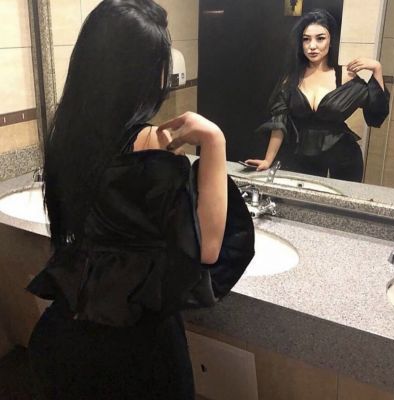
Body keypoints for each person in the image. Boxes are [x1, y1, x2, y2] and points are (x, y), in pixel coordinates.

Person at [26, 1, 254, 399]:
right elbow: (207, 248)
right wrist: (214, 141)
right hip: (134, 355)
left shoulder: (67, 136)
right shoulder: (152, 143)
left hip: (63, 337)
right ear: (149, 73)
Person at [246, 9, 390, 182]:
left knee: (340, 199)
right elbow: (279, 123)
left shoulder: (345, 76)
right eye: (306, 39)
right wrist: (268, 160)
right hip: (303, 158)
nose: (312, 46)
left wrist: (377, 69)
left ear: (330, 41)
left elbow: (376, 112)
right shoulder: (291, 79)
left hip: (344, 159)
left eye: (320, 38)